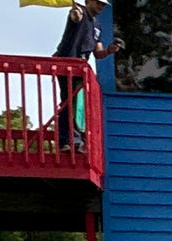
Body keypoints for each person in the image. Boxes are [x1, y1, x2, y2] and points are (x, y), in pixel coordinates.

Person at [54, 0, 124, 151]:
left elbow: (98, 53)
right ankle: (67, 141)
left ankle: (74, 140)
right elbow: (75, 18)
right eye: (98, 3)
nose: (101, 7)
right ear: (88, 1)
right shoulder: (80, 12)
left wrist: (109, 50)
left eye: (103, 5)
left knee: (78, 104)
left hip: (80, 68)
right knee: (69, 102)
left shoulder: (97, 25)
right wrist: (75, 14)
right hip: (66, 64)